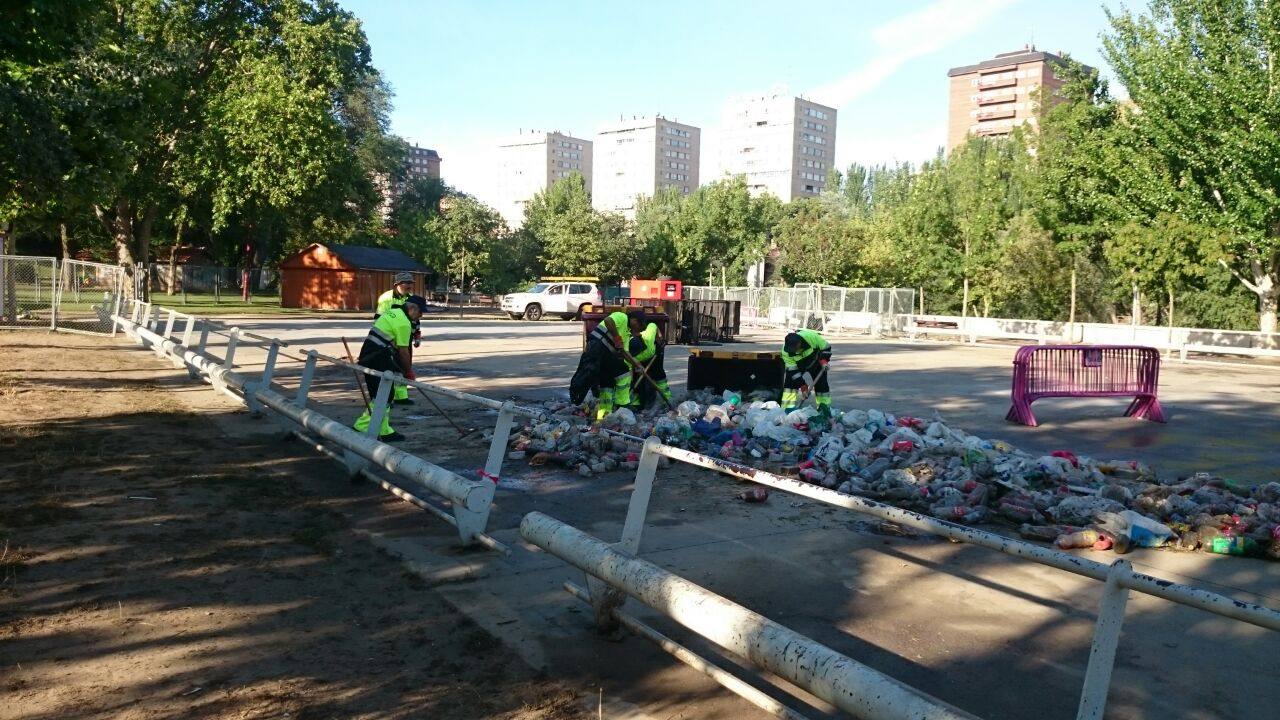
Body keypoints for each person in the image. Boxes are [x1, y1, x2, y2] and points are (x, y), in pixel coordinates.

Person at [353, 295, 425, 441]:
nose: (421, 316)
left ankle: (384, 430)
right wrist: (408, 372)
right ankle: (362, 426)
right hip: (377, 358)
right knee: (383, 395)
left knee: (384, 394)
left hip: (370, 354)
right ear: (412, 309)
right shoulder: (404, 323)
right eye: (420, 313)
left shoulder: (394, 311)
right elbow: (404, 351)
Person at [570, 308, 646, 421]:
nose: (638, 330)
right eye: (639, 326)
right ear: (634, 320)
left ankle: (604, 414)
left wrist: (637, 364)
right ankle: (622, 405)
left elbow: (625, 352)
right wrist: (616, 337)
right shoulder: (622, 317)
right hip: (596, 348)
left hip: (605, 356)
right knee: (624, 373)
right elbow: (608, 320)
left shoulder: (626, 333)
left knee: (607, 381)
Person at [375, 272, 416, 405]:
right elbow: (378, 320)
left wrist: (417, 334)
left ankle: (401, 396)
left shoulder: (411, 298)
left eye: (411, 283)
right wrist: (388, 340)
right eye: (407, 283)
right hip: (389, 339)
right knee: (389, 368)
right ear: (397, 284)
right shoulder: (386, 298)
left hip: (404, 337)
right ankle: (388, 398)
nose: (410, 286)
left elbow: (414, 319)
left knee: (404, 365)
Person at [781, 329, 832, 414]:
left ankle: (824, 409)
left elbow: (826, 347)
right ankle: (787, 410)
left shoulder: (811, 337)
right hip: (798, 365)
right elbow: (793, 372)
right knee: (790, 383)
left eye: (794, 349)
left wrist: (824, 360)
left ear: (799, 343)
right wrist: (803, 386)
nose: (793, 352)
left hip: (816, 361)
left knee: (821, 385)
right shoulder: (786, 352)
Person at [628, 320, 671, 408]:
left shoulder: (648, 335)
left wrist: (660, 339)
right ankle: (636, 403)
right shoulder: (630, 353)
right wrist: (638, 368)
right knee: (637, 378)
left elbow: (654, 325)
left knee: (659, 374)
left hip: (655, 353)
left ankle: (666, 398)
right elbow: (630, 371)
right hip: (640, 361)